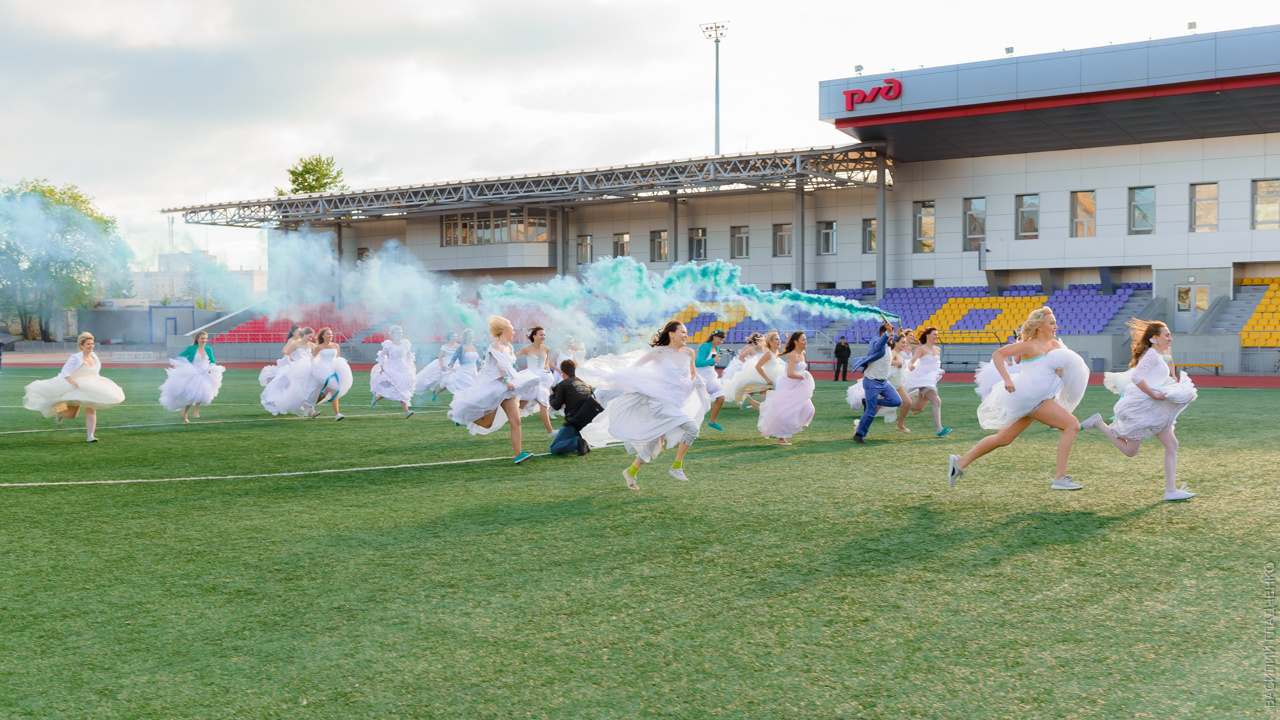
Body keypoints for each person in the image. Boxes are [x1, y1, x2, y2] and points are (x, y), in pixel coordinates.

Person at [947, 307, 1090, 491]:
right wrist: (1006, 378)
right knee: (1072, 425)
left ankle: (959, 463)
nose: (1056, 326)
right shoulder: (1030, 345)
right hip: (1031, 396)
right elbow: (998, 354)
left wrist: (1060, 371)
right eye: (1052, 323)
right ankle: (1060, 477)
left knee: (1004, 439)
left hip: (1034, 398)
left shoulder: (1054, 346)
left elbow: (1060, 365)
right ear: (1040, 326)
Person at [579, 321, 710, 490]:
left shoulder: (689, 353)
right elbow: (634, 369)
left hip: (675, 403)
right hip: (658, 403)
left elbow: (692, 375)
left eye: (686, 333)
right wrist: (616, 379)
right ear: (671, 334)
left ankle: (630, 472)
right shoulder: (658, 352)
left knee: (654, 444)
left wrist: (698, 382)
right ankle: (676, 467)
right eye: (683, 332)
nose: (686, 335)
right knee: (692, 428)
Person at [1082, 319, 1197, 501]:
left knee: (1172, 444)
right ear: (1154, 338)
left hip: (1153, 407)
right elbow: (1136, 377)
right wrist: (1152, 393)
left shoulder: (1159, 355)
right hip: (1141, 405)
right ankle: (1098, 423)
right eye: (1167, 335)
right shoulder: (1151, 355)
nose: (1170, 338)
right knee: (1130, 451)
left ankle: (1171, 490)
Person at [447, 315, 542, 464]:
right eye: (512, 330)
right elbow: (498, 369)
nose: (514, 333)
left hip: (508, 389)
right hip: (494, 388)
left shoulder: (509, 347)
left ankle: (518, 454)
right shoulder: (495, 347)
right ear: (504, 331)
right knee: (487, 423)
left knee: (515, 421)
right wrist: (506, 381)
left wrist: (514, 380)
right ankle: (463, 416)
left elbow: (510, 367)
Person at [22, 332, 125, 443]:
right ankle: (60, 414)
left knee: (91, 410)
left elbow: (95, 372)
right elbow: (65, 372)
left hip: (91, 386)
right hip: (75, 386)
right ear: (81, 345)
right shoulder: (76, 357)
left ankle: (90, 436)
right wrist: (73, 383)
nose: (91, 346)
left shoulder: (94, 356)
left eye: (92, 343)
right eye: (88, 344)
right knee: (72, 415)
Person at [757, 331, 816, 446]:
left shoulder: (803, 353)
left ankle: (786, 430)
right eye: (803, 339)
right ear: (796, 342)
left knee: (809, 409)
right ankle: (781, 437)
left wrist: (803, 378)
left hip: (798, 385)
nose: (805, 341)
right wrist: (804, 377)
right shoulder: (792, 355)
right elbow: (790, 374)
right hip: (789, 384)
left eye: (805, 339)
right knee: (787, 411)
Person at [850, 320, 903, 444]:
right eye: (890, 333)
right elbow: (878, 345)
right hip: (872, 382)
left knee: (897, 401)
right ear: (883, 333)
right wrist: (887, 334)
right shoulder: (875, 341)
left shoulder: (889, 344)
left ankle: (869, 402)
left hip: (884, 382)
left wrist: (897, 334)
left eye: (892, 334)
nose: (892, 336)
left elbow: (891, 339)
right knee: (870, 411)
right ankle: (859, 435)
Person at [847, 332, 913, 432]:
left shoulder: (899, 353)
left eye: (905, 343)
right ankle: (861, 427)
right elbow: (888, 362)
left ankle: (899, 424)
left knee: (905, 403)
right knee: (875, 409)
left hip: (897, 383)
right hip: (891, 383)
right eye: (902, 342)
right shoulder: (893, 351)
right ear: (896, 342)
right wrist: (898, 362)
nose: (905, 344)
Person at [159, 331, 225, 422]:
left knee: (202, 393)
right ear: (197, 339)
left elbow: (212, 361)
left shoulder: (208, 349)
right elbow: (181, 356)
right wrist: (186, 366)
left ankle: (195, 410)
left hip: (205, 373)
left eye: (205, 338)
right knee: (192, 396)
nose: (204, 340)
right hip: (193, 373)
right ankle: (184, 413)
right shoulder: (192, 348)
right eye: (202, 338)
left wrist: (211, 368)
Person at [903, 326, 952, 437]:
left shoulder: (937, 349)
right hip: (922, 379)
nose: (937, 336)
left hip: (931, 380)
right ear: (928, 335)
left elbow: (935, 365)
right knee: (937, 401)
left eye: (937, 334)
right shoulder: (922, 349)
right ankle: (939, 429)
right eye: (934, 334)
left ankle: (889, 403)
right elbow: (912, 362)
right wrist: (910, 366)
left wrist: (941, 371)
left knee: (918, 407)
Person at [548, 359, 603, 456]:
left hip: (574, 422)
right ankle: (583, 441)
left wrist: (551, 395)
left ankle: (578, 442)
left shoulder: (563, 384)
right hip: (588, 422)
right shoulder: (585, 383)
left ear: (563, 372)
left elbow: (556, 406)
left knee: (555, 447)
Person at [261, 327, 319, 417]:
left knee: (307, 389)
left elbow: (316, 356)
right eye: (309, 336)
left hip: (308, 369)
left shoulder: (312, 345)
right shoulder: (295, 344)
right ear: (304, 334)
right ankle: (310, 411)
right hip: (298, 368)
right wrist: (293, 364)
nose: (311, 338)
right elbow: (286, 354)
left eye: (312, 337)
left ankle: (311, 411)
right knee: (299, 388)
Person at [514, 326, 557, 437]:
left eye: (544, 335)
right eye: (541, 334)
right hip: (530, 378)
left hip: (542, 379)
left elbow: (546, 362)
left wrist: (547, 367)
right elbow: (514, 358)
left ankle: (550, 431)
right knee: (520, 405)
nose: (543, 337)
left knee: (543, 403)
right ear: (534, 336)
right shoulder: (526, 349)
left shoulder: (546, 349)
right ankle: (507, 417)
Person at [724, 330, 782, 410]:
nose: (779, 341)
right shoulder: (754, 350)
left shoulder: (770, 351)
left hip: (770, 376)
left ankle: (749, 400)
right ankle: (749, 400)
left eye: (779, 339)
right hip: (762, 375)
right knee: (766, 406)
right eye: (776, 339)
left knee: (769, 406)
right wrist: (747, 364)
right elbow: (750, 361)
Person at [370, 325, 416, 418]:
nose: (400, 334)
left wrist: (409, 365)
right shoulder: (388, 344)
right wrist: (382, 366)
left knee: (400, 387)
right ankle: (406, 412)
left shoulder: (405, 343)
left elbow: (408, 355)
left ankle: (376, 398)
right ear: (393, 334)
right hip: (391, 367)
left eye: (401, 332)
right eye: (398, 333)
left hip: (403, 367)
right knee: (399, 388)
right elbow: (382, 355)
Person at [311, 327, 354, 420]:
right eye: (328, 334)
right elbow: (313, 359)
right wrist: (313, 369)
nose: (330, 335)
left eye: (331, 334)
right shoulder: (318, 347)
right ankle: (337, 414)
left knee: (326, 392)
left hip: (333, 370)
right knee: (334, 388)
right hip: (322, 370)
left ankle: (310, 405)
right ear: (322, 336)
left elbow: (337, 358)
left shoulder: (336, 346)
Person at [697, 329, 729, 431]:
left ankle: (712, 422)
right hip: (700, 377)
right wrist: (713, 360)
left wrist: (715, 362)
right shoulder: (705, 346)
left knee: (721, 397)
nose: (721, 342)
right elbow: (698, 363)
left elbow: (711, 363)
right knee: (697, 403)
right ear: (714, 337)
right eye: (720, 339)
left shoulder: (717, 348)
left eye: (723, 340)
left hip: (711, 377)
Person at [414, 332, 460, 402]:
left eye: (456, 336)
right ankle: (435, 392)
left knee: (453, 381)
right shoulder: (445, 346)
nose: (455, 338)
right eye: (453, 336)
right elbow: (440, 356)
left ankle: (436, 393)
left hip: (456, 364)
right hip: (447, 364)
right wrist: (442, 365)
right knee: (447, 381)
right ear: (449, 337)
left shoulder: (459, 346)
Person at [442, 329, 481, 395]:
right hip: (464, 371)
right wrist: (450, 367)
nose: (472, 337)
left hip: (474, 371)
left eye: (472, 335)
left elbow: (478, 360)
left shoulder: (476, 346)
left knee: (476, 388)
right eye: (470, 335)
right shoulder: (461, 347)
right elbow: (453, 358)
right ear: (465, 337)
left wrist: (483, 365)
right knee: (472, 386)